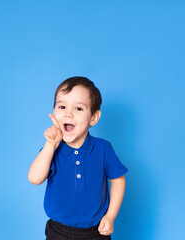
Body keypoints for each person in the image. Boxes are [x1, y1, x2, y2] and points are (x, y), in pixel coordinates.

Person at [28, 76, 128, 240]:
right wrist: (50, 145)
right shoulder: (51, 149)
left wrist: (111, 216)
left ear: (93, 118)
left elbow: (118, 180)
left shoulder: (103, 148)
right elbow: (34, 178)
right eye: (62, 106)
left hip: (96, 232)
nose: (68, 114)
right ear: (54, 112)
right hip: (59, 231)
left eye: (78, 109)